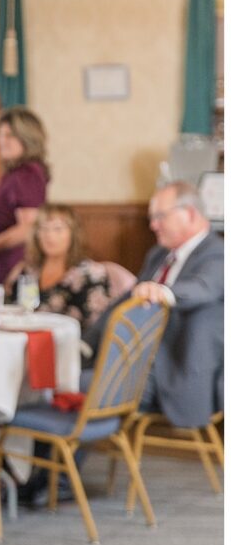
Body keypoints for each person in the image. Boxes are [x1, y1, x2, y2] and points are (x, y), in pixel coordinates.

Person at [84, 181, 223, 428]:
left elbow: (204, 288)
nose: (152, 225)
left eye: (160, 216)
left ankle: (56, 464)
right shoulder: (158, 255)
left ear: (189, 213)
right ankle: (55, 465)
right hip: (127, 360)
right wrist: (86, 342)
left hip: (172, 374)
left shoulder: (219, 253)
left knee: (74, 386)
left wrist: (162, 292)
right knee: (60, 381)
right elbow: (127, 301)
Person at [4, 204, 113, 333]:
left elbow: (95, 327)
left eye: (58, 229)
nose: (49, 236)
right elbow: (11, 310)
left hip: (72, 347)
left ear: (73, 234)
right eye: (43, 229)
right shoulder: (28, 271)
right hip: (25, 342)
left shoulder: (91, 273)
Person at [0, 107, 49, 283]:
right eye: (0, 134)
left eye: (9, 135)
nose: (1, 140)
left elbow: (27, 228)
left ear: (28, 139)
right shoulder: (15, 174)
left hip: (15, 261)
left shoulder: (26, 174)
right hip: (5, 258)